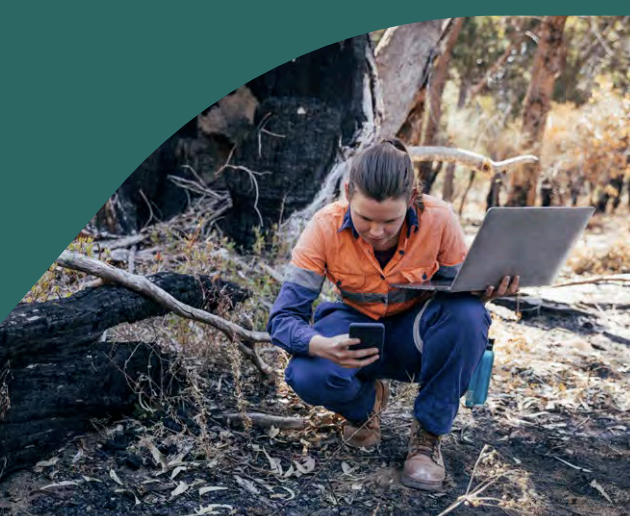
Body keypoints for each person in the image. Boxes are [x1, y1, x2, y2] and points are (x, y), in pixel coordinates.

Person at [267, 138, 519, 491]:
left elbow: (458, 305)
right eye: (365, 218)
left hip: (415, 336)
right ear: (347, 192)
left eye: (391, 221)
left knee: (468, 314)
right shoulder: (324, 227)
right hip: (355, 334)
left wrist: (487, 292)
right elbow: (282, 320)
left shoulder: (440, 219)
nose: (377, 232)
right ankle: (365, 408)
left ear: (413, 197)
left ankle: (427, 438)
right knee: (305, 373)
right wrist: (319, 344)